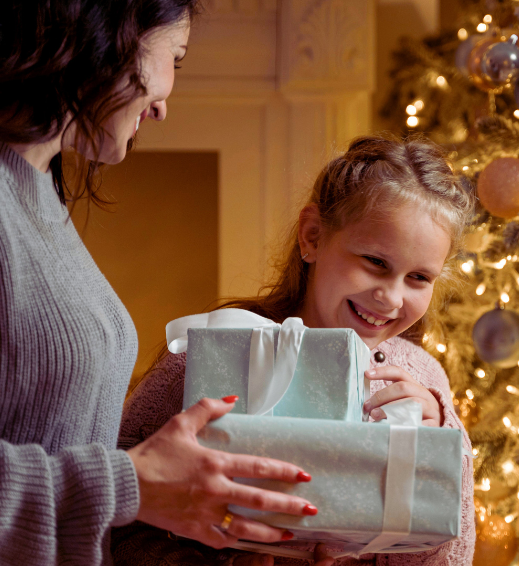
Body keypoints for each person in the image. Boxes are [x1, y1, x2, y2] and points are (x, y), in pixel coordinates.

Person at [0, 0, 320, 565]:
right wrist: (132, 485)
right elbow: (115, 479)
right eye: (176, 56)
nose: (166, 104)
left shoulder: (40, 193)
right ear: (107, 34)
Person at [111, 135, 477, 565]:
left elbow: (453, 551)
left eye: (419, 278)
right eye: (376, 262)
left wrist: (438, 447)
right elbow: (113, 523)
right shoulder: (207, 358)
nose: (392, 298)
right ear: (312, 236)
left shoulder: (425, 380)